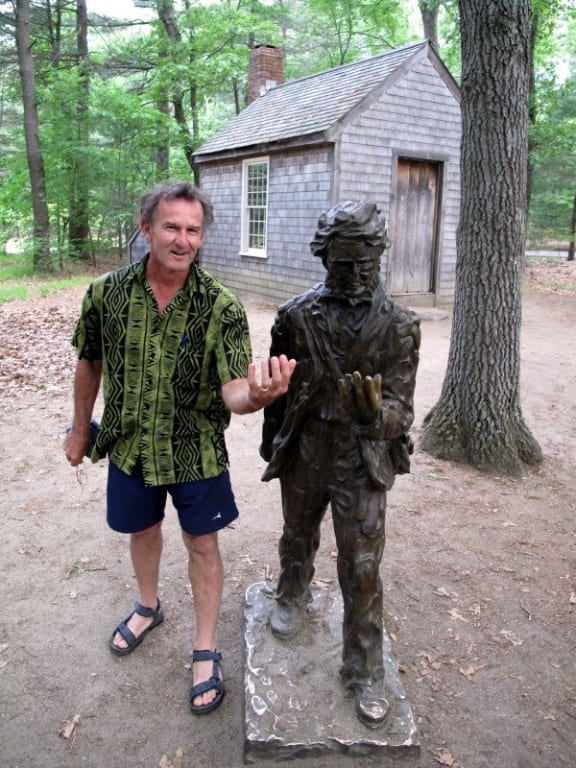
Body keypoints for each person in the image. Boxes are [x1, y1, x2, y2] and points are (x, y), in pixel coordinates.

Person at [63, 181, 296, 716]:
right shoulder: (107, 294)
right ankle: (148, 606)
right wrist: (80, 428)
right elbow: (89, 361)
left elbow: (234, 390)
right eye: (172, 226)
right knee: (142, 530)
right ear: (146, 229)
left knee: (202, 544)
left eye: (193, 230)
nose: (183, 239)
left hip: (195, 452)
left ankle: (205, 647)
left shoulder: (221, 307)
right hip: (129, 445)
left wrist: (256, 394)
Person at [260, 200, 420, 728]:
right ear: (322, 256)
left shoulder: (399, 326)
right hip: (308, 446)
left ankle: (364, 668)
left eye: (362, 265)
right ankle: (292, 591)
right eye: (340, 263)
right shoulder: (295, 316)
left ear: (377, 257)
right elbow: (281, 394)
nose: (352, 275)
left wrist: (378, 416)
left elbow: (403, 406)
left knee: (362, 565)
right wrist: (272, 442)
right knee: (297, 530)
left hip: (361, 454)